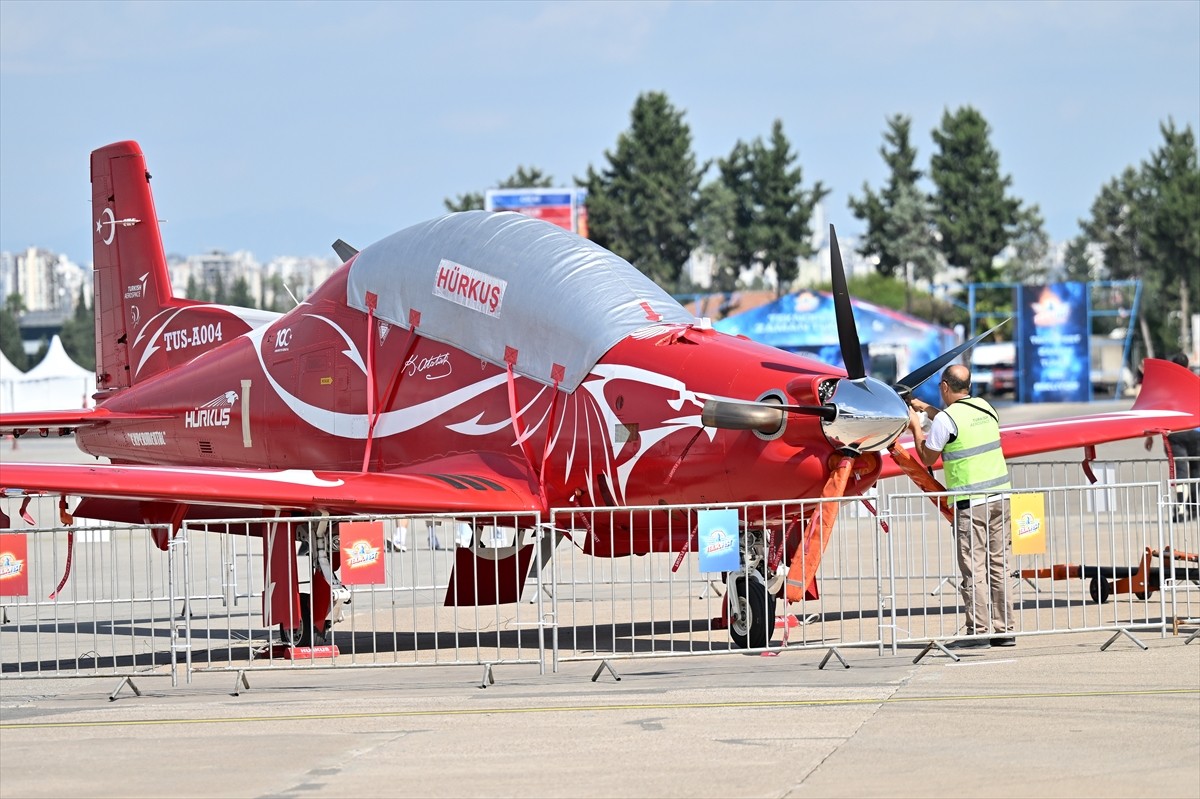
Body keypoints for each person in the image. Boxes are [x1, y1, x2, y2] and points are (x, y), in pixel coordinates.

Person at [908, 364, 1015, 650]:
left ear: (945, 386)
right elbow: (955, 421)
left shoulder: (946, 420)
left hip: (972, 504)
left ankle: (977, 631)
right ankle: (1004, 630)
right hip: (1000, 499)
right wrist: (928, 409)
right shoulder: (986, 408)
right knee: (999, 565)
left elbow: (927, 457)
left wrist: (916, 426)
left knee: (974, 568)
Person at [1166, 353, 1200, 521]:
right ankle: (1194, 510)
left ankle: (1179, 511)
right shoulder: (1195, 381)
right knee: (1196, 471)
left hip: (1175, 432)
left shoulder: (1168, 384)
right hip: (1196, 431)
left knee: (1180, 473)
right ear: (1187, 365)